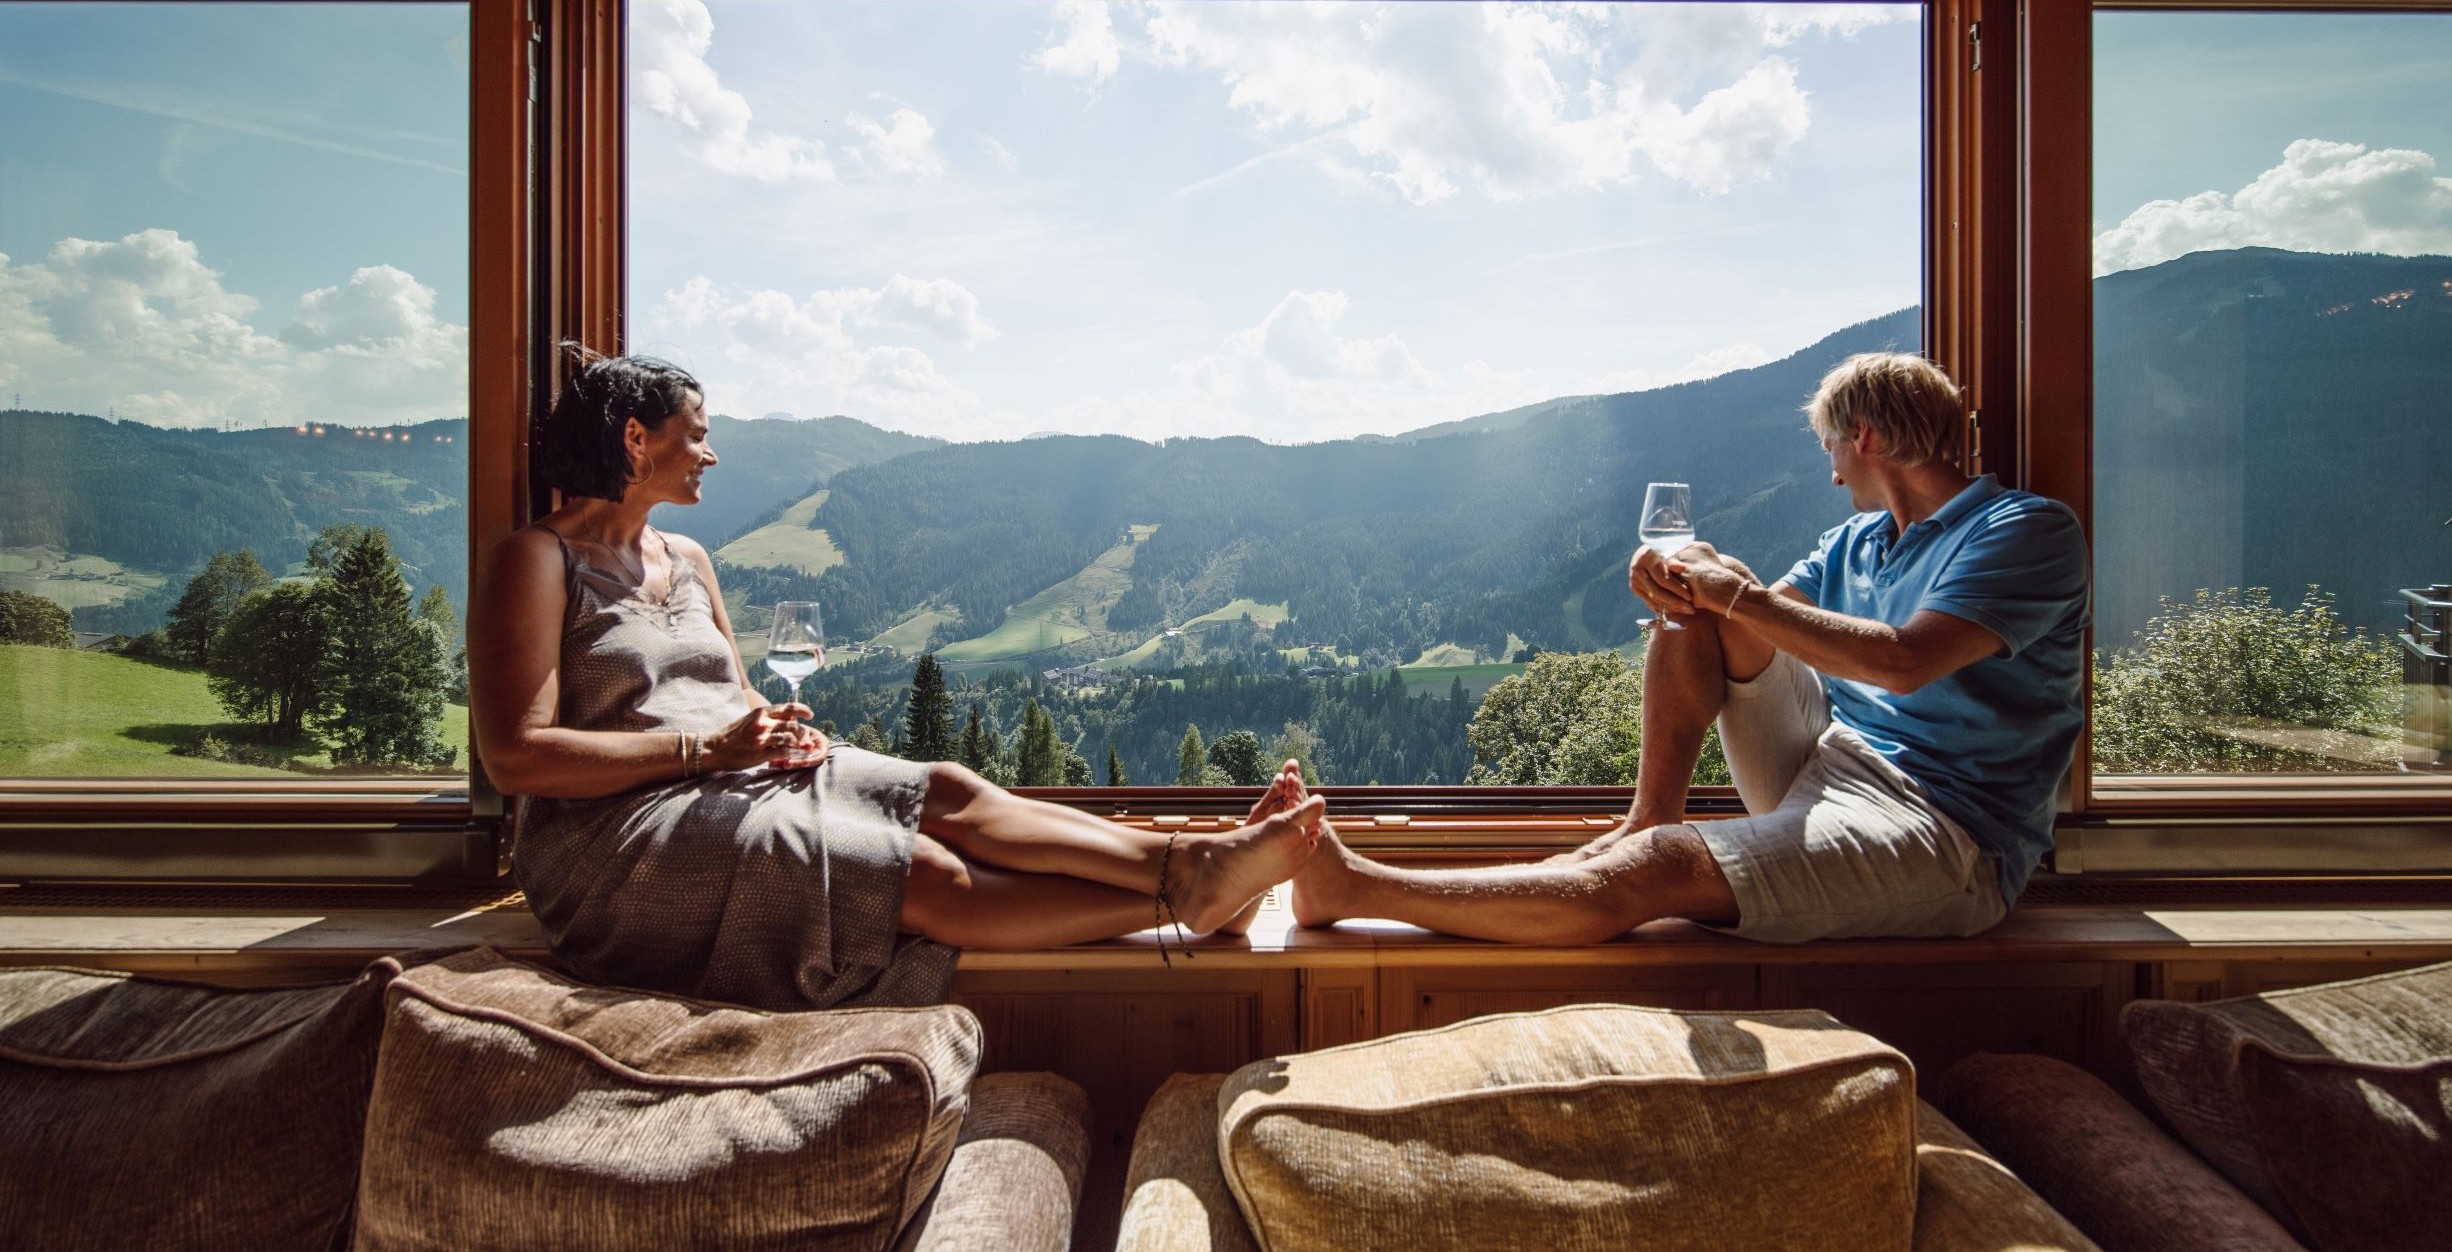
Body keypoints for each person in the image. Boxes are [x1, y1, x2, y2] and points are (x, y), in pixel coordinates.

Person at [470, 350, 1321, 1011]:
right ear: (634, 438)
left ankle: (1193, 864)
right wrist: (702, 751)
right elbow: (518, 758)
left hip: (730, 777)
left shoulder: (685, 558)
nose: (711, 453)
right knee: (912, 870)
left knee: (948, 787)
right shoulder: (538, 561)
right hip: (620, 843)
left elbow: (737, 694)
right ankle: (1187, 898)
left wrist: (773, 729)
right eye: (696, 433)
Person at [1291, 352, 2088, 946]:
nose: (1833, 475)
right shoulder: (1860, 540)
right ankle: (1649, 813)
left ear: (1865, 437)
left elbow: (1904, 663)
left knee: (1661, 872)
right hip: (1829, 758)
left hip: (1946, 829)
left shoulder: (2024, 531)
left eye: (1831, 451)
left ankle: (1357, 886)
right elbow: (1755, 619)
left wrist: (1728, 594)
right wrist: (1687, 588)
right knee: (1705, 582)